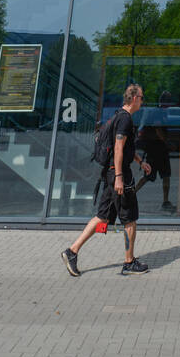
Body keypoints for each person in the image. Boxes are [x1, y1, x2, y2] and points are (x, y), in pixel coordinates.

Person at [61, 84, 151, 276]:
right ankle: (129, 262)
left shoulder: (119, 116)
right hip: (119, 175)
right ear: (134, 98)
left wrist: (140, 161)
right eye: (142, 97)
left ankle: (72, 251)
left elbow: (125, 148)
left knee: (102, 217)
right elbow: (118, 149)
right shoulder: (125, 120)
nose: (143, 101)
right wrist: (119, 177)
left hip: (111, 173)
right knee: (130, 219)